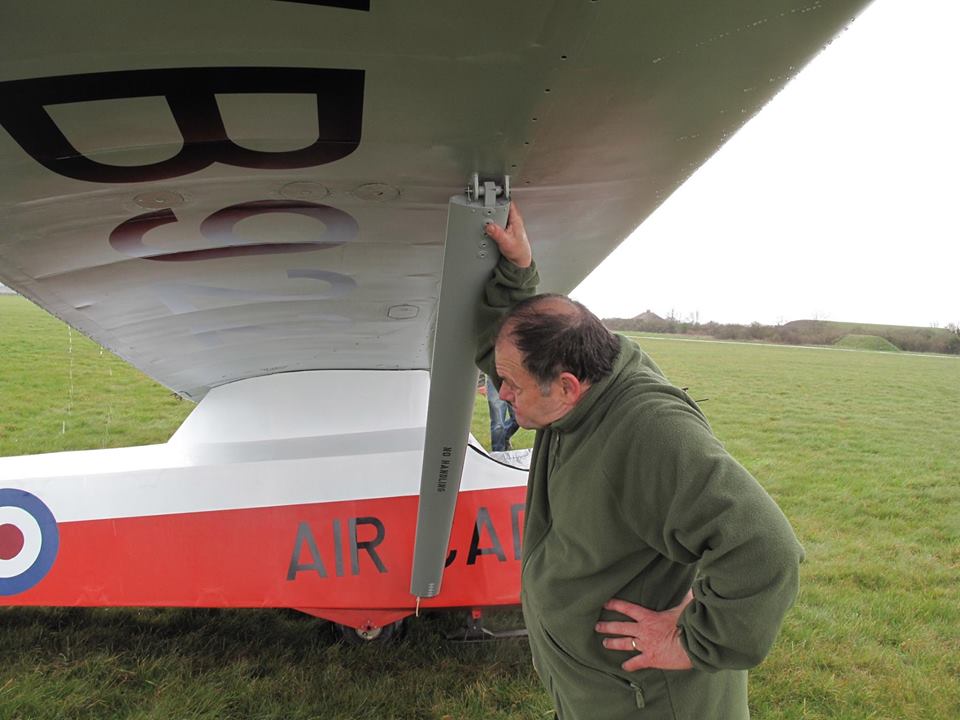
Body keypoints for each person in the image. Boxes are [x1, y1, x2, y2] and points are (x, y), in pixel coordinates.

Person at [475, 203, 804, 720]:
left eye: (510, 384)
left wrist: (694, 641)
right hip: (605, 696)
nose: (501, 393)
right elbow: (510, 346)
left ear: (565, 386)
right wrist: (518, 273)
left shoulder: (649, 431)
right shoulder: (582, 378)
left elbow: (765, 546)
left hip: (647, 704)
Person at [486, 373, 520, 451]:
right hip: (494, 378)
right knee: (498, 424)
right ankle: (498, 454)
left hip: (514, 377)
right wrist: (480, 382)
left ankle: (504, 438)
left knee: (518, 418)